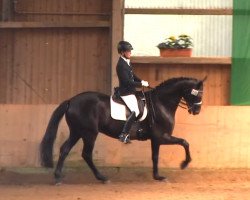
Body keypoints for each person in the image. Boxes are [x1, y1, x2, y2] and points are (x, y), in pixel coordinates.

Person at [116, 40, 149, 144]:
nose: (130, 52)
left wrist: (141, 80)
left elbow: (133, 76)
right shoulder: (120, 65)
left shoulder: (126, 62)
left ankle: (137, 128)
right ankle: (124, 134)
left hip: (131, 91)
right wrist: (140, 85)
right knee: (135, 110)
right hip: (125, 92)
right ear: (122, 52)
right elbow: (127, 82)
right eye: (128, 51)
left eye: (130, 50)